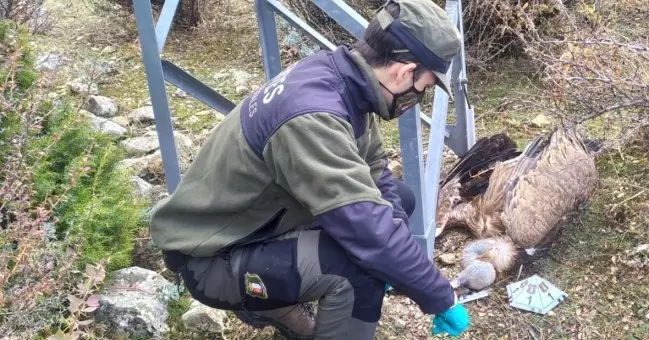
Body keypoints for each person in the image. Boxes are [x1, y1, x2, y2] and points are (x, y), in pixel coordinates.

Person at [149, 0, 470, 338]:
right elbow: (368, 231)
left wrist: (399, 253)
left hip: (258, 222)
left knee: (397, 205)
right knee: (359, 270)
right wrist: (440, 296)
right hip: (210, 258)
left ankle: (283, 298)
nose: (420, 94)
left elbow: (374, 168)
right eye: (426, 85)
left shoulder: (344, 78)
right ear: (405, 72)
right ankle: (273, 301)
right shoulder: (313, 116)